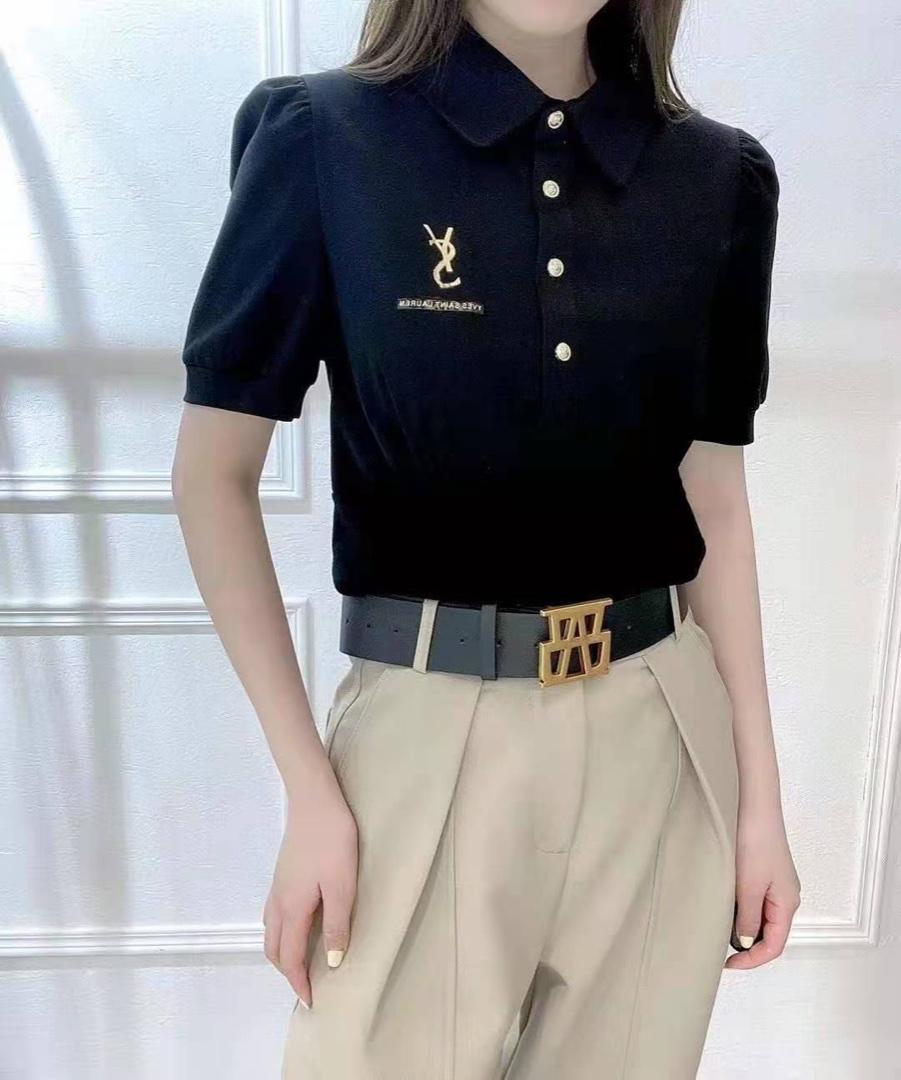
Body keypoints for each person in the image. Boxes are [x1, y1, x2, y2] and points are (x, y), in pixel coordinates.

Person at [171, 0, 801, 1075]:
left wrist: (758, 804)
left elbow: (716, 502)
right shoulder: (326, 140)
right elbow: (211, 477)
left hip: (659, 732)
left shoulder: (717, 179)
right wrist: (309, 789)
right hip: (423, 736)